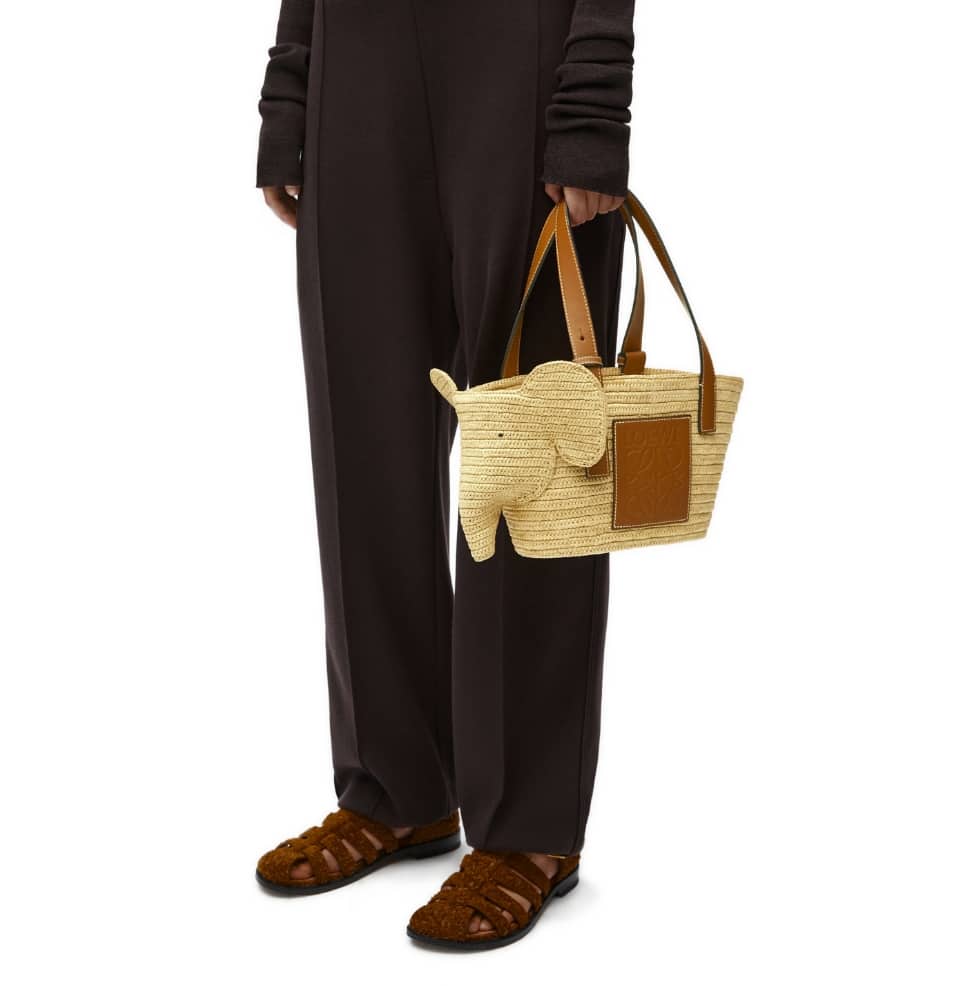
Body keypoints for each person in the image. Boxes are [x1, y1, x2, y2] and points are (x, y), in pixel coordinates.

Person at [254, 0, 635, 950]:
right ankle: (397, 787)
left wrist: (591, 99)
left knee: (534, 454)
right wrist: (295, 84)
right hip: (356, 59)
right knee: (363, 441)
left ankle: (530, 829)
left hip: (525, 59)